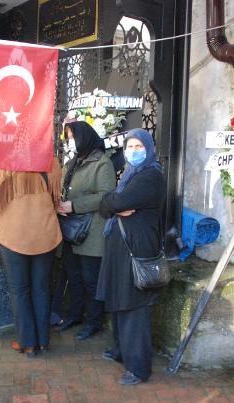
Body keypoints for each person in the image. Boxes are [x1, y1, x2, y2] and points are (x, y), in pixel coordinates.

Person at [96, 128, 165, 385]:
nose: (134, 151)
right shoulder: (130, 174)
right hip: (121, 247)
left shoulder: (150, 176)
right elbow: (109, 205)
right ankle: (121, 350)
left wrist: (115, 203)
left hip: (136, 249)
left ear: (148, 148)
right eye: (130, 146)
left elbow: (115, 203)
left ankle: (138, 367)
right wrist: (115, 203)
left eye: (139, 146)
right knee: (118, 300)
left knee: (134, 306)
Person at [0, 160, 62, 357]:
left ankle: (27, 343)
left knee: (19, 290)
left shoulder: (4, 164)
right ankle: (43, 341)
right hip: (45, 233)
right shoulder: (51, 162)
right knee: (42, 288)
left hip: (14, 235)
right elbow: (57, 198)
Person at [56, 121, 116, 340]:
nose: (70, 142)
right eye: (68, 138)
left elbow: (106, 195)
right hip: (71, 230)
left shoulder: (102, 162)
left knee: (91, 279)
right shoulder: (73, 162)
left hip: (91, 232)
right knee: (74, 276)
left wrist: (74, 205)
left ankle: (94, 322)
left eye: (73, 137)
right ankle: (74, 315)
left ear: (84, 137)